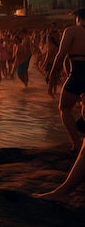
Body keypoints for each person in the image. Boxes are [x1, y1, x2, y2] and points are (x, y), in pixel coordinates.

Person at [47, 8, 85, 151]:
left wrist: (52, 78)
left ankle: (76, 143)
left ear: (78, 18)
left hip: (78, 73)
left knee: (64, 108)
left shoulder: (71, 31)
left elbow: (60, 56)